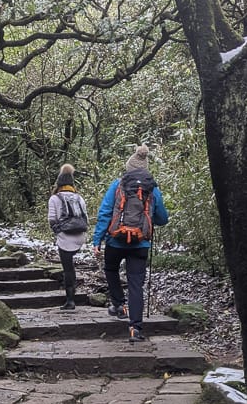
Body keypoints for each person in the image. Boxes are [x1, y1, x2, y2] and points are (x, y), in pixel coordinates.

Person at [92, 144, 168, 342]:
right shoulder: (152, 189)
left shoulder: (117, 185)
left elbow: (105, 213)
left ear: (128, 167)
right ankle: (135, 328)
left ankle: (119, 303)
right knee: (136, 284)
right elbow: (162, 218)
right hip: (140, 244)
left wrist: (97, 240)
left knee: (110, 269)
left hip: (116, 241)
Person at [48, 163, 89, 311]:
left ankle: (70, 300)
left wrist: (59, 232)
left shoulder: (55, 198)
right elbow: (86, 219)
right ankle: (73, 296)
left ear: (59, 182)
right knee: (71, 266)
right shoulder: (79, 197)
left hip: (65, 237)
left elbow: (52, 220)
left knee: (68, 268)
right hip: (80, 236)